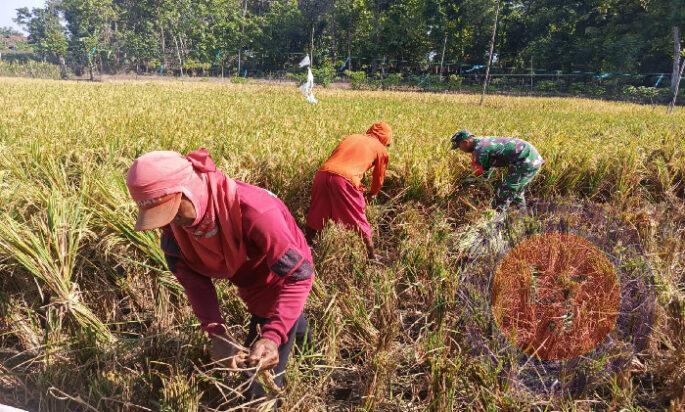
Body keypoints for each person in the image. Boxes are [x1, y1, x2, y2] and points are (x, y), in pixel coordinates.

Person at [126, 148, 314, 399]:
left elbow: (298, 276)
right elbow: (193, 279)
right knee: (289, 321)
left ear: (188, 190)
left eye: (172, 211)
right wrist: (217, 333)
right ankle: (307, 346)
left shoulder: (256, 213)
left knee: (257, 372)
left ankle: (265, 397)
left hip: (281, 273)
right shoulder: (175, 232)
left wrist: (272, 336)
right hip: (246, 273)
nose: (166, 223)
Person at [305, 122, 392, 259]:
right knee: (358, 219)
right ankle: (371, 256)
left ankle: (306, 247)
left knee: (317, 212)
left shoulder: (352, 137)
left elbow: (336, 156)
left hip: (323, 173)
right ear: (386, 138)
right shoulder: (381, 149)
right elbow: (378, 178)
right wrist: (372, 194)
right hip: (345, 180)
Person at [450, 130, 543, 211]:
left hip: (527, 160)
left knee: (504, 192)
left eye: (459, 147)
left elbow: (481, 176)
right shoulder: (481, 142)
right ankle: (524, 225)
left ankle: (495, 226)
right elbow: (488, 171)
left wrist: (467, 185)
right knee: (516, 194)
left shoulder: (479, 150)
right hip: (526, 158)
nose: (460, 150)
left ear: (465, 142)